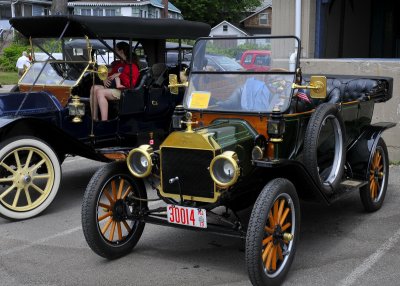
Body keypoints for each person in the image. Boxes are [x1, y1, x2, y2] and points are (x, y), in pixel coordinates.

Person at [90, 42, 140, 121]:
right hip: (114, 88)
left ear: (121, 51)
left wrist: (120, 75)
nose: (114, 51)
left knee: (100, 92)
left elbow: (131, 85)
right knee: (94, 88)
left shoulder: (132, 66)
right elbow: (110, 74)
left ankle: (104, 122)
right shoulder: (118, 64)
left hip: (125, 92)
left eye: (115, 50)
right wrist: (104, 78)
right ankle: (94, 119)